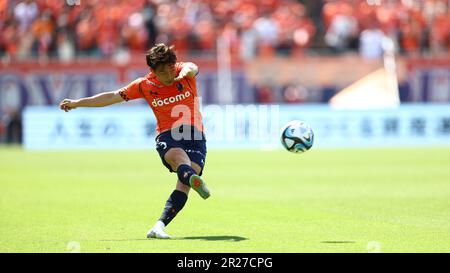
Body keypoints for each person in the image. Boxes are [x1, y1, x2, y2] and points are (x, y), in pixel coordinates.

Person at [59, 43, 210, 239]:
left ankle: (158, 226)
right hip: (168, 134)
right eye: (162, 72)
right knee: (181, 161)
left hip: (195, 135)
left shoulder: (183, 70)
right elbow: (112, 96)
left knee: (184, 185)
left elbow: (193, 67)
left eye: (170, 68)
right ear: (153, 71)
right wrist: (78, 103)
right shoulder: (144, 85)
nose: (169, 75)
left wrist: (187, 71)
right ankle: (189, 175)